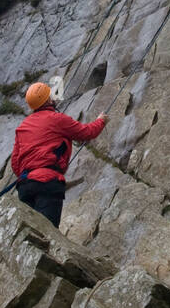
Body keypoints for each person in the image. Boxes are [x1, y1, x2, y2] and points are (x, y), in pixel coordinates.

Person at [11, 81, 108, 226]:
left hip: (25, 186)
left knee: (29, 233)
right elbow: (86, 132)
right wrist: (101, 121)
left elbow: (15, 163)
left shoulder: (23, 126)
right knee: (46, 233)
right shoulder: (57, 119)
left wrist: (31, 174)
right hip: (48, 183)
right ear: (48, 100)